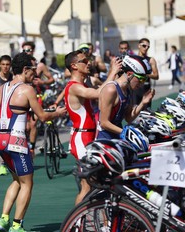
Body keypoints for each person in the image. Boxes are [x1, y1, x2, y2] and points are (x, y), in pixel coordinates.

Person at [0, 52, 66, 232]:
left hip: (1, 140)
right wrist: (58, 113)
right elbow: (43, 116)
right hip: (17, 141)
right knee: (27, 183)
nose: (35, 74)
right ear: (24, 69)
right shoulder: (27, 89)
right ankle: (17, 225)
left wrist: (7, 124)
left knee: (17, 179)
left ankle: (4, 218)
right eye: (32, 70)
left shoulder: (1, 89)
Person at [64, 50, 121, 205]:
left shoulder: (83, 83)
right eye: (84, 61)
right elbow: (98, 94)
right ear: (74, 66)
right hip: (82, 138)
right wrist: (112, 72)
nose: (89, 63)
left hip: (87, 136)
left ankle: (86, 220)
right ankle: (76, 224)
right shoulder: (74, 87)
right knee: (87, 186)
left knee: (93, 184)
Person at [97, 54, 155, 141]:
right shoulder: (111, 89)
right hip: (105, 139)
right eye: (141, 79)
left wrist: (143, 102)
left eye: (145, 80)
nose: (142, 84)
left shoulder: (128, 90)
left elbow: (128, 118)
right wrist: (127, 132)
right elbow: (104, 123)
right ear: (129, 74)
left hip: (118, 136)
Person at [21, 41, 54, 156]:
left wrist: (42, 81)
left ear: (33, 51)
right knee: (26, 126)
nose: (27, 52)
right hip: (24, 97)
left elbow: (51, 79)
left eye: (29, 50)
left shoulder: (39, 65)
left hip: (36, 96)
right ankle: (25, 146)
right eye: (24, 50)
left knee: (33, 124)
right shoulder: (21, 66)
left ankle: (31, 148)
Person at [132, 38, 159, 109]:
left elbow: (156, 76)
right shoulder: (133, 59)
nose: (146, 48)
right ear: (139, 46)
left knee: (147, 115)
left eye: (148, 46)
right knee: (134, 114)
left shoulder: (151, 60)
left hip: (146, 90)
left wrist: (145, 75)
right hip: (135, 91)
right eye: (144, 46)